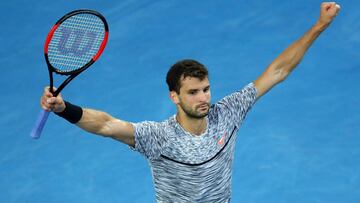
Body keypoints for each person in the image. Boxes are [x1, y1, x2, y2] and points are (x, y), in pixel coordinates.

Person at [40, 2, 340, 202]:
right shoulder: (159, 137)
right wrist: (65, 109)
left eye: (206, 89)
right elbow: (106, 124)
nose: (203, 98)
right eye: (193, 92)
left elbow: (278, 71)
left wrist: (319, 26)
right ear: (175, 97)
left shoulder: (228, 113)